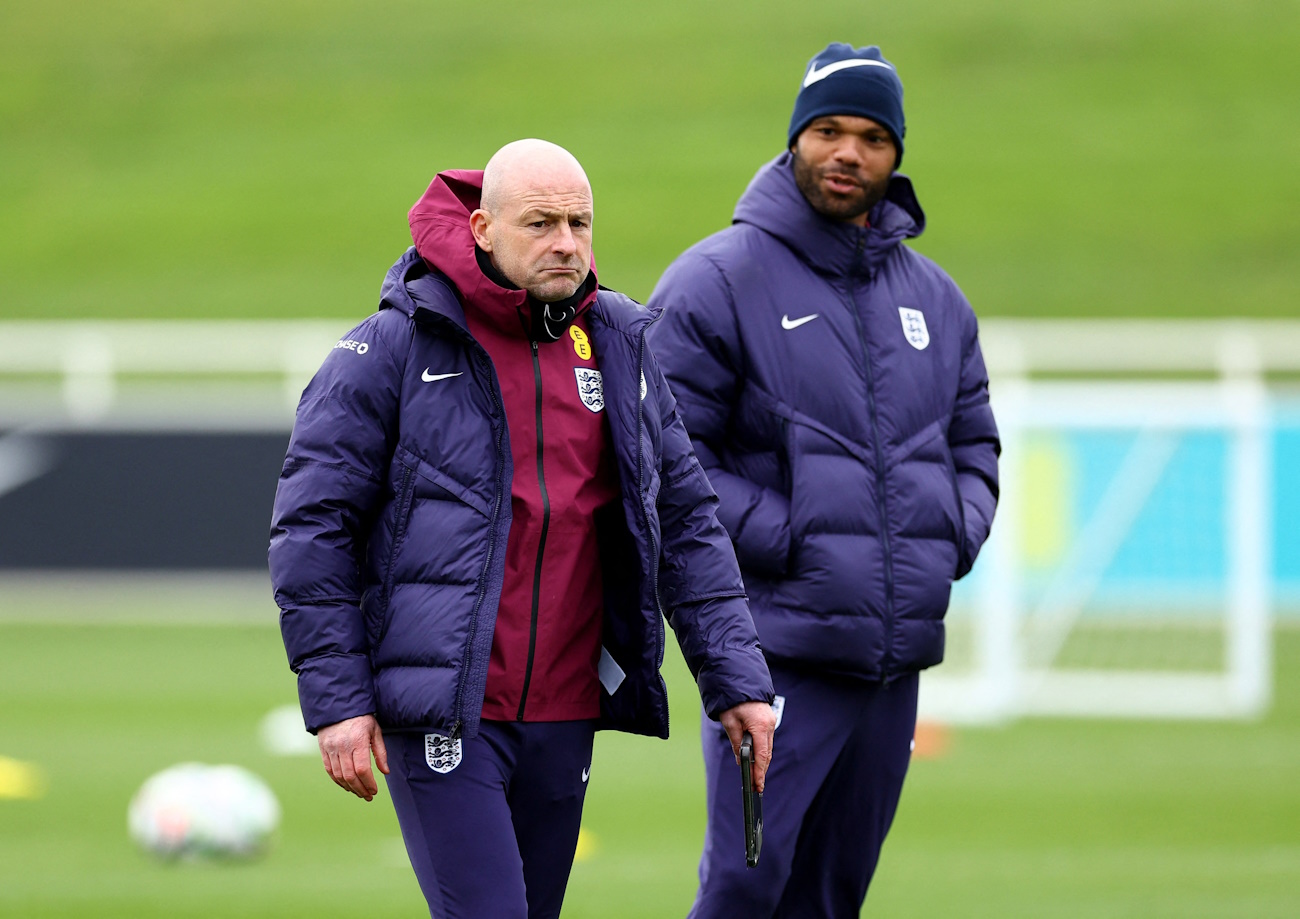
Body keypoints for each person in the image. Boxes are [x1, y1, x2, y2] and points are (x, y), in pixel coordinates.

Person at [269, 139, 777, 919]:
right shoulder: (391, 348)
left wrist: (736, 677)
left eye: (579, 222)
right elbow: (313, 531)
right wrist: (337, 699)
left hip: (567, 711)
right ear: (481, 228)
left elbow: (686, 520)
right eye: (540, 223)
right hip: (444, 710)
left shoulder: (618, 345)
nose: (566, 242)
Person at [646, 44, 1001, 918]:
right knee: (746, 885)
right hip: (773, 653)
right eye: (830, 130)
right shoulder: (716, 281)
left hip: (890, 664)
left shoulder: (938, 301)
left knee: (833, 897)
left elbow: (975, 447)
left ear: (897, 155)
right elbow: (659, 455)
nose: (850, 152)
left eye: (875, 136)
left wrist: (947, 532)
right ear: (796, 138)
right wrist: (790, 537)